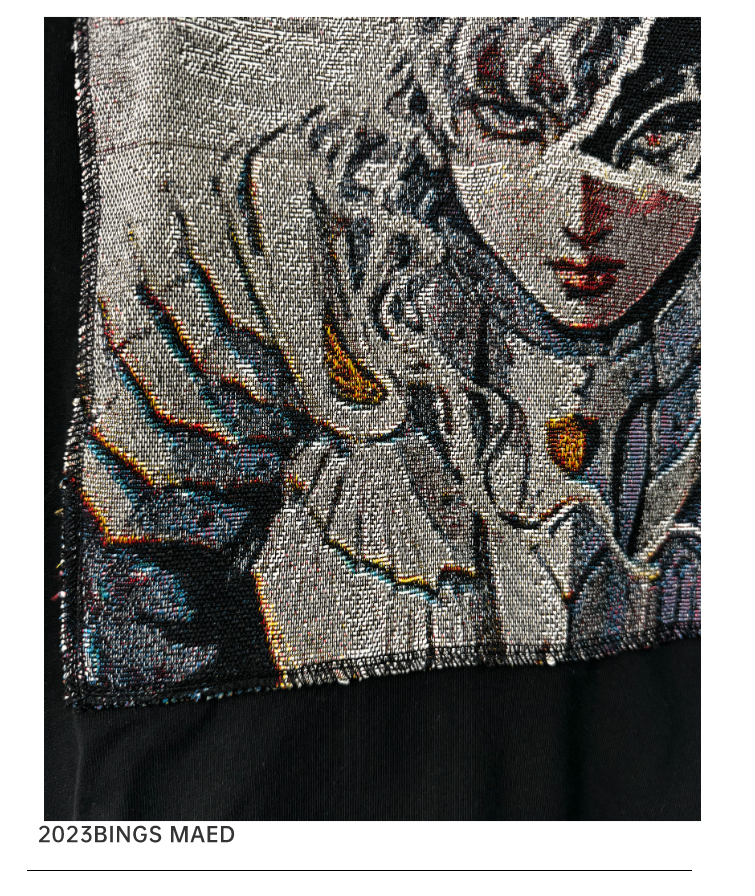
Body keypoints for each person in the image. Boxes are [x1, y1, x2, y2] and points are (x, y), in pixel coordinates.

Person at [76, 17, 700, 689]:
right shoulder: (299, 237)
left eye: (657, 139)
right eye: (516, 128)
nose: (582, 215)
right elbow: (134, 564)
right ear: (438, 115)